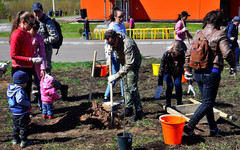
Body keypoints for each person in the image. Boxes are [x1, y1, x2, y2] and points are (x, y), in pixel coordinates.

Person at [184, 10, 236, 137]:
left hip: (198, 71)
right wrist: (234, 65)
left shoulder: (198, 34)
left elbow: (188, 53)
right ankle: (190, 126)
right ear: (218, 21)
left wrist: (187, 69)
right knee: (207, 102)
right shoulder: (220, 34)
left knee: (208, 102)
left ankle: (213, 128)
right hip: (212, 72)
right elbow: (227, 53)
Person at [105, 30, 143, 121]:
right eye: (109, 44)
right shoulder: (113, 41)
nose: (111, 45)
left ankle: (139, 112)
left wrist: (116, 76)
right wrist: (109, 53)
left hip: (133, 63)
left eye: (112, 44)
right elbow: (113, 48)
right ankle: (128, 108)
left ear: (117, 38)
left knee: (131, 87)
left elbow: (129, 64)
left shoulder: (128, 44)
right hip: (123, 61)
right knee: (125, 86)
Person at [32, 2, 68, 100]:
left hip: (46, 51)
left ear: (42, 11)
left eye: (38, 12)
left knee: (46, 75)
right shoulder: (33, 21)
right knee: (34, 74)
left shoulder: (48, 22)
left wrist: (42, 42)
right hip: (35, 52)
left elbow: (55, 37)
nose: (36, 14)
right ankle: (37, 94)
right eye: (35, 12)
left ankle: (61, 87)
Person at [10, 11, 43, 100]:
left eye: (33, 24)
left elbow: (29, 50)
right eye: (30, 24)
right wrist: (31, 59)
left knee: (27, 92)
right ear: (23, 22)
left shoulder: (27, 33)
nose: (32, 27)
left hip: (28, 67)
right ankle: (21, 112)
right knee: (20, 94)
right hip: (19, 68)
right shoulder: (16, 35)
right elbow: (13, 55)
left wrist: (35, 58)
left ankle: (28, 111)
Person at [104, 8, 125, 101]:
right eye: (120, 17)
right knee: (115, 74)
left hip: (123, 53)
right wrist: (107, 54)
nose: (122, 18)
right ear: (115, 16)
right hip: (114, 54)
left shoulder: (122, 26)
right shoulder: (112, 26)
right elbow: (107, 41)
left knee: (123, 73)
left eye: (123, 16)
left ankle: (124, 94)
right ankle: (106, 95)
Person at [155, 41, 185, 107]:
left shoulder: (182, 54)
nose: (172, 54)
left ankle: (179, 101)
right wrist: (160, 83)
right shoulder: (166, 54)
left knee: (178, 84)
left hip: (177, 71)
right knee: (170, 85)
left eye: (174, 53)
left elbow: (183, 65)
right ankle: (168, 102)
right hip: (167, 71)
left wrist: (189, 80)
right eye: (171, 52)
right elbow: (161, 67)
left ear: (179, 51)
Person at [7, 71, 32, 148]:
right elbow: (20, 100)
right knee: (23, 127)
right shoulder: (19, 91)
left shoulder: (10, 88)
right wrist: (28, 103)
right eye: (26, 82)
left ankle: (15, 139)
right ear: (23, 82)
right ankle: (24, 141)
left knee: (15, 126)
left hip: (15, 112)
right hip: (22, 112)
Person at [28, 20, 46, 109]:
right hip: (26, 63)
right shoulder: (25, 36)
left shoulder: (39, 37)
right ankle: (27, 106)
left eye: (36, 30)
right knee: (27, 84)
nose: (34, 32)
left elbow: (42, 53)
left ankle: (41, 102)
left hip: (36, 64)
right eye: (32, 29)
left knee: (39, 83)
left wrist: (43, 67)